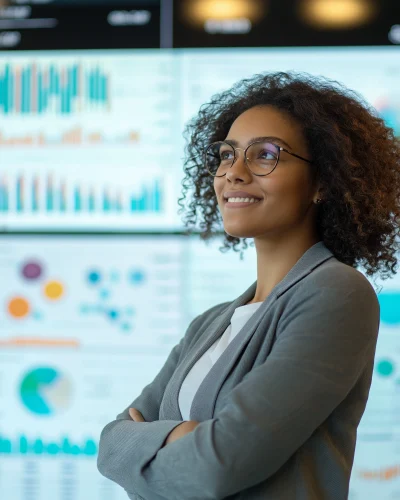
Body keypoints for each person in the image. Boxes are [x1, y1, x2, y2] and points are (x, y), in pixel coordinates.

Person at [97, 71, 400, 499]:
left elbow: (219, 466)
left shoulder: (337, 292)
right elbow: (110, 445)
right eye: (227, 154)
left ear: (322, 182)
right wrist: (185, 438)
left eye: (266, 155)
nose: (233, 173)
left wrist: (150, 446)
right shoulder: (210, 323)